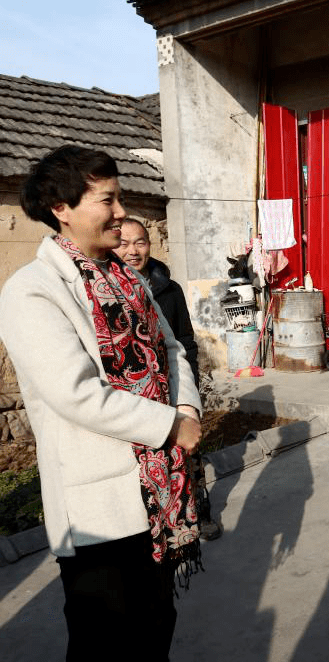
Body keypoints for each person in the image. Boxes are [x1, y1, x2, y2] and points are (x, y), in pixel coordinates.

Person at [0, 145, 203, 662]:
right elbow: (75, 393)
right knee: (105, 654)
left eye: (119, 198)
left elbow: (171, 349)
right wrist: (168, 425)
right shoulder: (31, 291)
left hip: (160, 491)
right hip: (102, 505)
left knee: (154, 636)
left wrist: (185, 409)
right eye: (106, 199)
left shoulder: (130, 278)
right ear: (62, 207)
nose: (120, 211)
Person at [118, 218, 221, 541]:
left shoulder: (168, 288)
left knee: (190, 454)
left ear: (150, 245)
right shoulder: (108, 289)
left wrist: (187, 388)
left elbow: (185, 340)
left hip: (175, 386)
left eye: (140, 242)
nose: (133, 251)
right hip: (136, 392)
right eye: (124, 243)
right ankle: (158, 519)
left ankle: (200, 512)